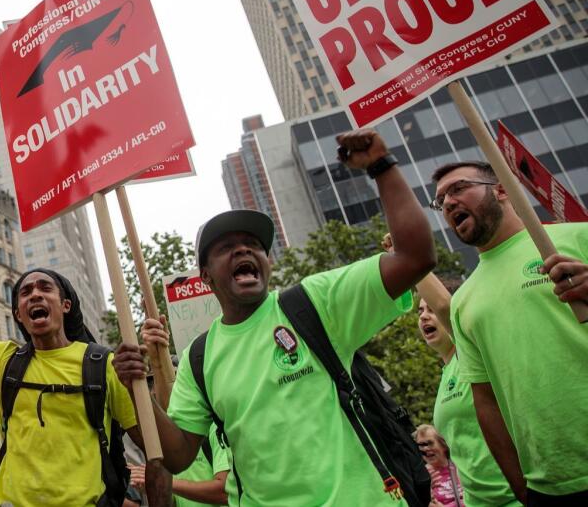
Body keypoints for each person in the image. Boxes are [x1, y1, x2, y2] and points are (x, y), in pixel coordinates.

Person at [115, 129, 436, 505]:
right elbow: (179, 454)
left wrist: (382, 165)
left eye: (253, 245)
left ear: (268, 262)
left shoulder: (314, 302)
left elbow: (415, 257)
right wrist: (134, 389)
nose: (243, 251)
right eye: (226, 248)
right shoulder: (198, 359)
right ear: (205, 277)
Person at [432, 161, 588, 504]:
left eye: (458, 189)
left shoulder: (576, 237)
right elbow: (486, 402)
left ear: (501, 189)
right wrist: (523, 490)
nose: (447, 203)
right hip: (550, 487)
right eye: (440, 200)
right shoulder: (464, 301)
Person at [0, 267, 140, 506]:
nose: (35, 295)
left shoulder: (104, 364)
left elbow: (157, 449)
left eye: (45, 287)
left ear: (66, 305)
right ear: (18, 315)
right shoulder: (2, 361)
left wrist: (152, 364)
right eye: (25, 292)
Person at [417, 295, 519, 507]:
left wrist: (412, 265)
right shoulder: (445, 375)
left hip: (513, 497)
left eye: (431, 309)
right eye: (420, 311)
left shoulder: (467, 354)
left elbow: (445, 305)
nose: (424, 316)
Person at [416, 424, 464, 507]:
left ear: (443, 445)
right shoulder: (422, 476)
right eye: (421, 445)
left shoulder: (461, 466)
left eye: (430, 443)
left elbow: (477, 497)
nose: (425, 449)